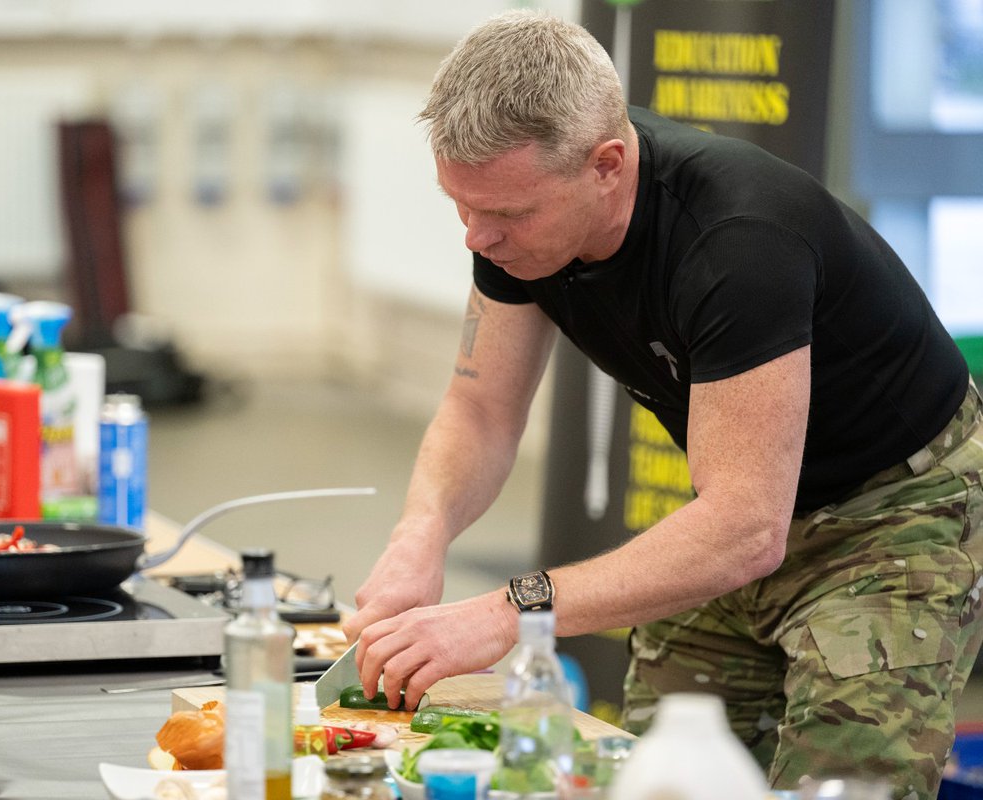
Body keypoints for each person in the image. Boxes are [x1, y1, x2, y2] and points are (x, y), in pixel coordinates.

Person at [342, 9, 983, 799]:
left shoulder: (739, 240)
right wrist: (422, 532)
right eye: (460, 206)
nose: (478, 238)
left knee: (844, 782)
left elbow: (746, 532)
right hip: (741, 503)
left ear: (607, 165)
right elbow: (480, 411)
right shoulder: (526, 212)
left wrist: (512, 611)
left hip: (897, 507)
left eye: (504, 215)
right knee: (655, 779)